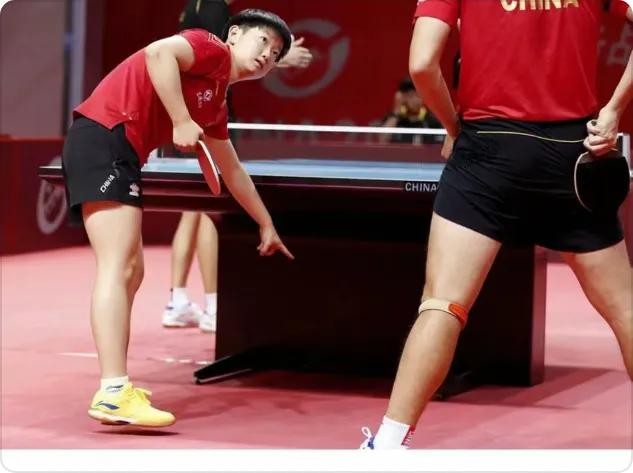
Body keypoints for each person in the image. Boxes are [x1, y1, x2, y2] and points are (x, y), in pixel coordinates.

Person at [360, 0, 633, 449]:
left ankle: (386, 446)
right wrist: (614, 110)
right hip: (573, 153)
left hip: (487, 151)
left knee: (443, 304)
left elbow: (422, 63)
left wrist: (453, 128)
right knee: (625, 308)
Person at [62, 9, 295, 428]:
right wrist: (181, 120)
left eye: (276, 53)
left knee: (131, 271)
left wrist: (265, 222)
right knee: (119, 267)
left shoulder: (216, 101)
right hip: (106, 137)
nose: (268, 54)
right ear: (234, 34)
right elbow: (158, 53)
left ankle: (116, 387)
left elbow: (232, 170)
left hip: (115, 148)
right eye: (263, 41)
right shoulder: (210, 48)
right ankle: (113, 393)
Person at [162, 0, 313, 332]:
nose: (267, 53)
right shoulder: (215, 8)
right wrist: (282, 60)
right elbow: (223, 54)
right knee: (208, 209)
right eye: (265, 43)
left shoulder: (197, 5)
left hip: (199, 112)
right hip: (198, 114)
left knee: (192, 209)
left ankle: (178, 299)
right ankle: (214, 305)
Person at [380, 76, 442, 144]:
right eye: (410, 96)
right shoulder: (394, 120)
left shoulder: (432, 122)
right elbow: (382, 140)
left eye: (418, 95)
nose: (415, 100)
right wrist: (397, 109)